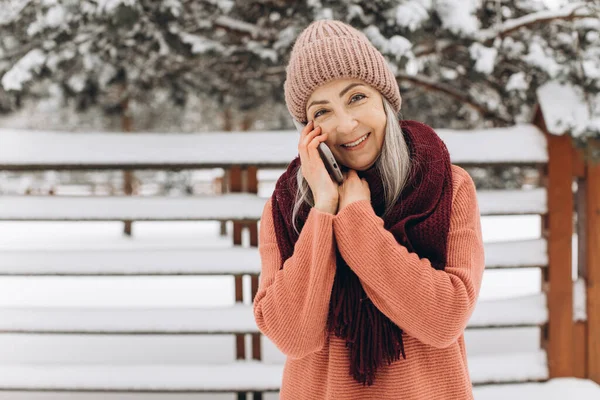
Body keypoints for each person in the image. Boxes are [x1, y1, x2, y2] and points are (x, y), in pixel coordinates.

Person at [253, 19, 485, 400]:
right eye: (322, 111)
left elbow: (445, 319)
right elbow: (292, 334)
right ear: (308, 128)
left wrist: (358, 222)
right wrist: (324, 210)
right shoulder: (286, 208)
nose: (346, 124)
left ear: (385, 100)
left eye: (356, 97)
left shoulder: (447, 185)